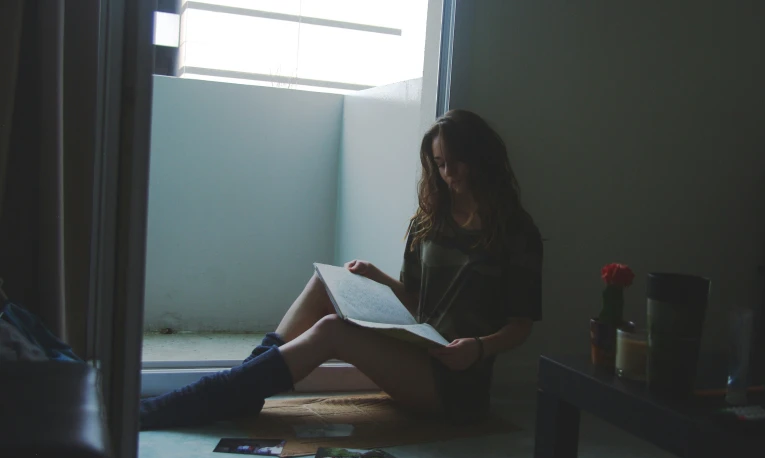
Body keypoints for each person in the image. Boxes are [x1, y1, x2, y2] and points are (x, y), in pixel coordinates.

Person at [139, 109, 544, 430]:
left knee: (332, 330)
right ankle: (239, 389)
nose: (447, 173)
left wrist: (477, 348)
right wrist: (375, 277)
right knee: (325, 281)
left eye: (455, 162)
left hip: (457, 384)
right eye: (439, 163)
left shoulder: (515, 230)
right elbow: (417, 300)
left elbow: (521, 325)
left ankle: (198, 400)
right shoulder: (429, 221)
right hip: (419, 350)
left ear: (480, 158)